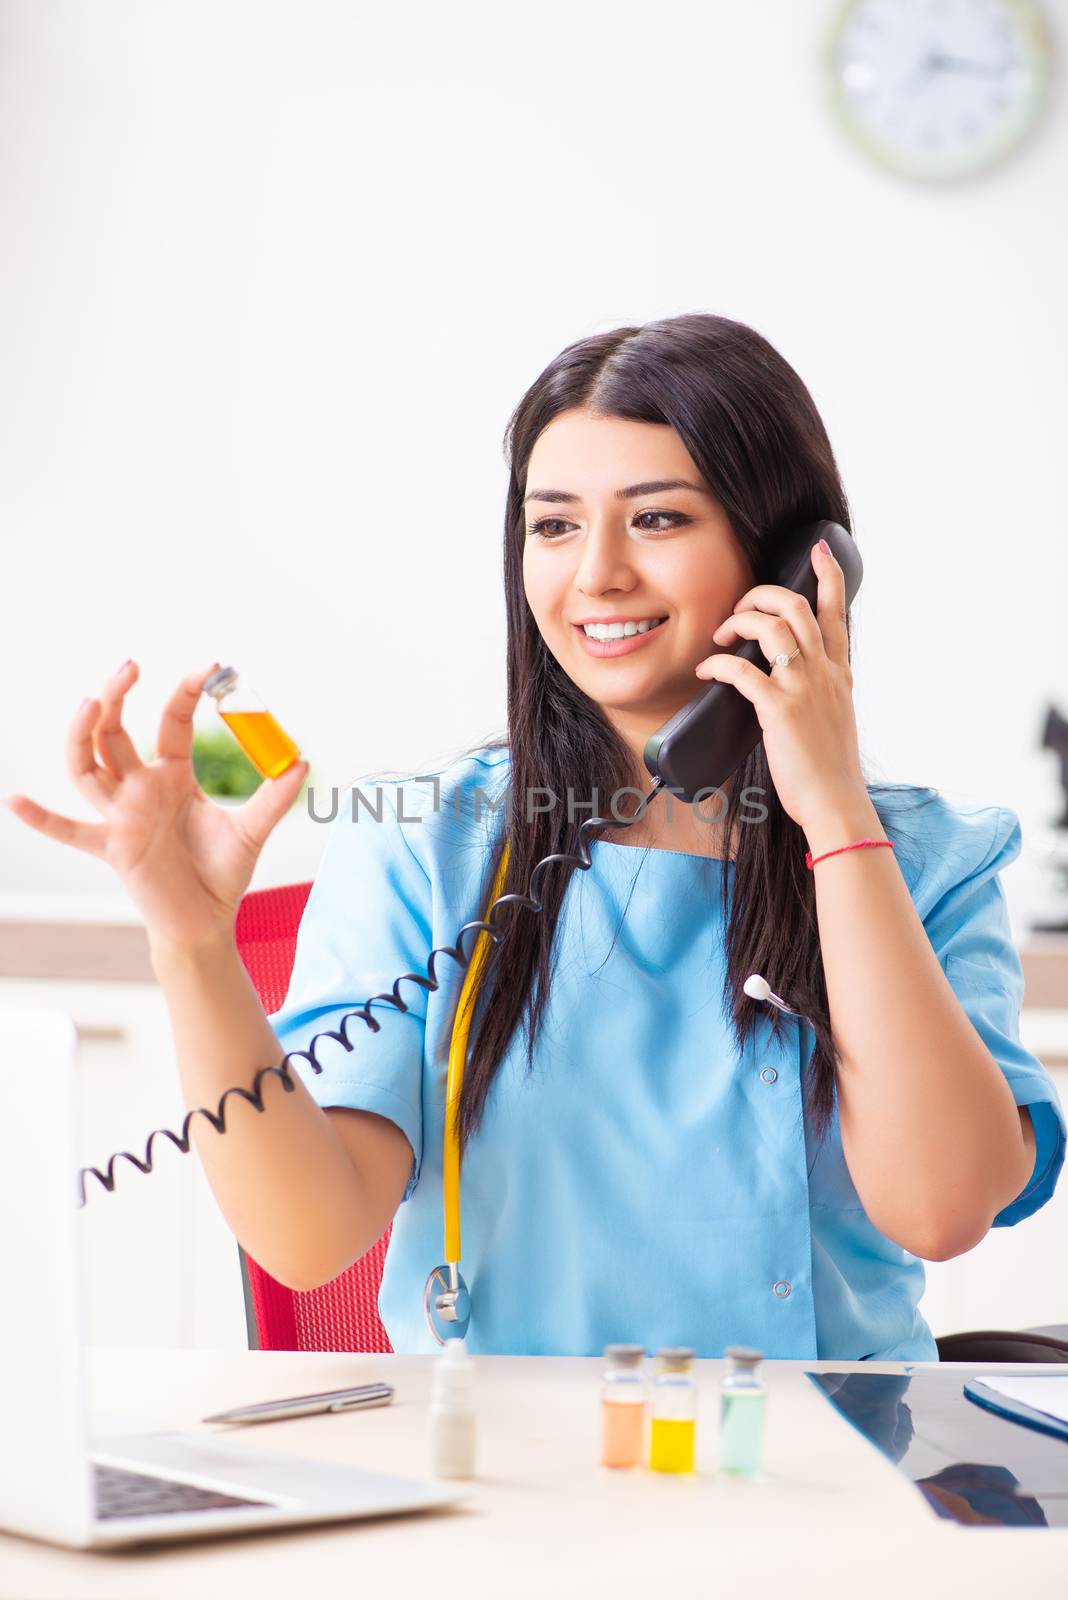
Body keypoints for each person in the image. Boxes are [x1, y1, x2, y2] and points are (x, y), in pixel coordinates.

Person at [5, 312, 1064, 1360]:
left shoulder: (926, 857)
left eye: (658, 520)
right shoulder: (433, 843)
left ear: (796, 561)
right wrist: (192, 948)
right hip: (517, 1476)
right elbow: (306, 1235)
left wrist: (833, 815)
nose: (595, 574)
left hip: (830, 1468)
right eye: (554, 524)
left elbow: (940, 1208)